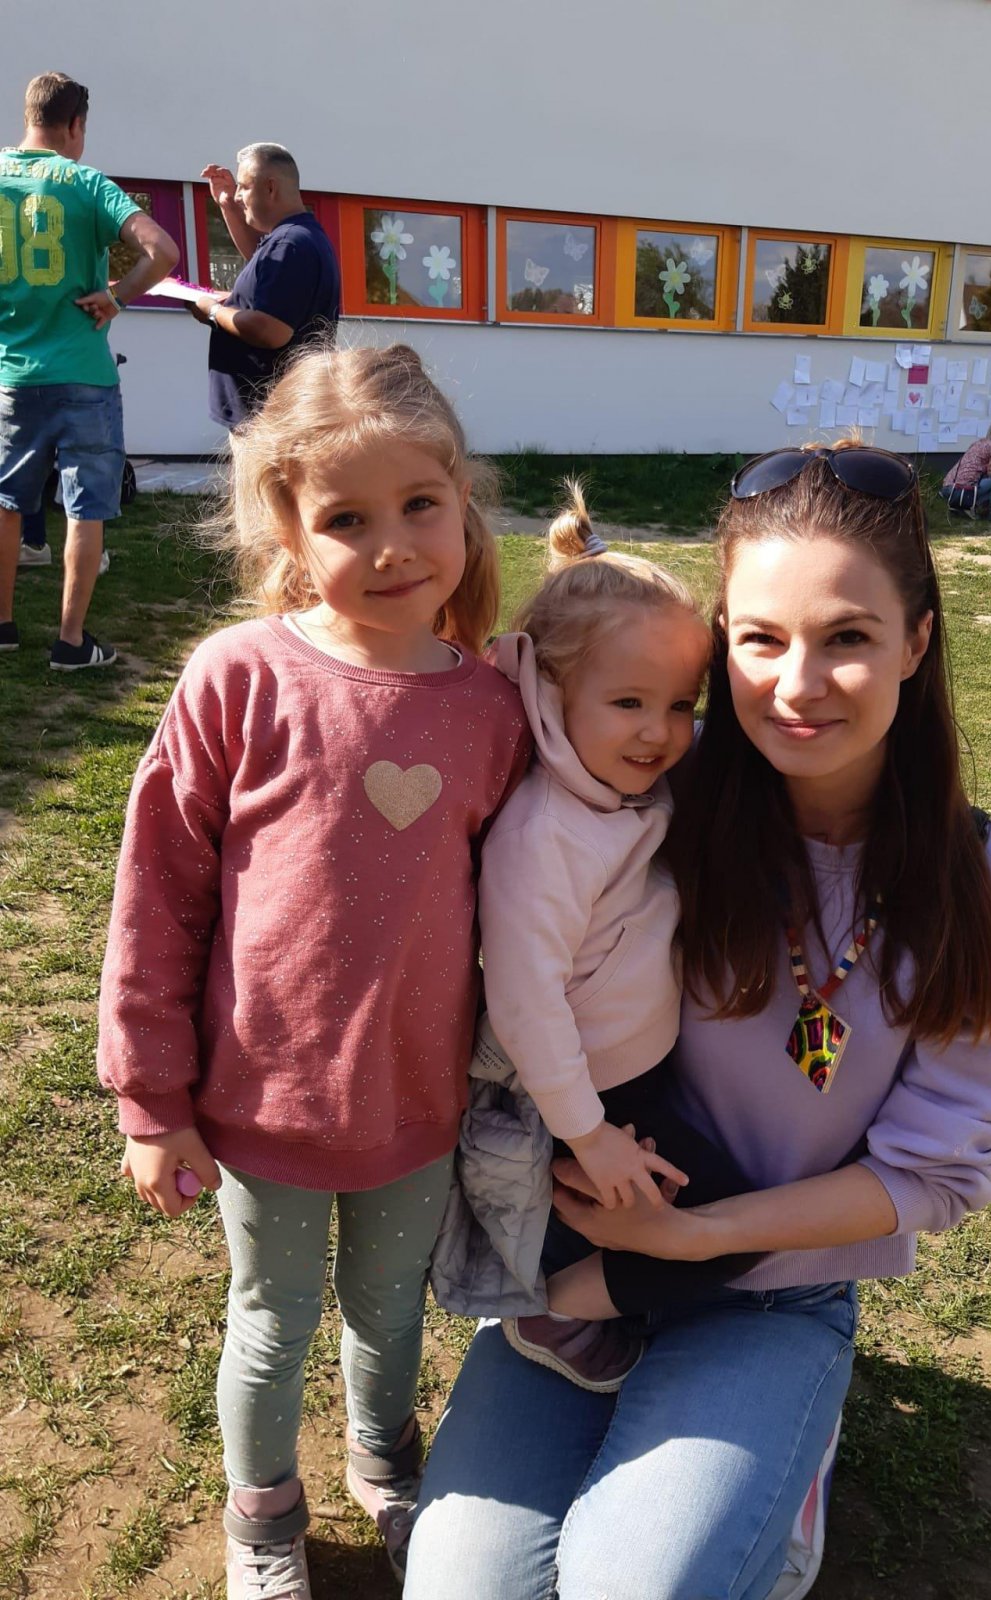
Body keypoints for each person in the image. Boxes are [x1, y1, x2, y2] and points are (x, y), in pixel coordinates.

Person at [403, 442, 991, 1600]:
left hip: (774, 1284)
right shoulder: (649, 788)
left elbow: (934, 1172)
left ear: (917, 640)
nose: (798, 684)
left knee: (635, 1588)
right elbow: (478, 725)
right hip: (581, 1260)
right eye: (760, 639)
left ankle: (787, 1472)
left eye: (847, 636)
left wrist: (700, 1238)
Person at [96, 344, 530, 1597]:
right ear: (287, 526)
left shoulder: (493, 709)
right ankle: (264, 1517)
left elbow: (545, 886)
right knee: (273, 1321)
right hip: (263, 1107)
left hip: (417, 1103)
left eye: (419, 505)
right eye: (347, 519)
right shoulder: (238, 678)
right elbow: (158, 895)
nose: (392, 546)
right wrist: (153, 1100)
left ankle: (386, 1467)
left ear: (462, 502)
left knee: (391, 1314)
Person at [443, 487, 768, 1393]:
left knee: (719, 1216)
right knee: (732, 1228)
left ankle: (603, 1291)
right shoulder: (546, 834)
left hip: (635, 1074)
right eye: (629, 702)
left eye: (679, 704)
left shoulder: (614, 783)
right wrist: (590, 1138)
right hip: (586, 1094)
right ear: (551, 692)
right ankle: (555, 1309)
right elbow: (525, 1002)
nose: (660, 734)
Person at [0, 72, 177, 667]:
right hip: (83, 375)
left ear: (29, 116)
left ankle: (2, 627)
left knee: (6, 501)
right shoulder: (86, 182)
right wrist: (118, 295)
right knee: (84, 508)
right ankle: (71, 642)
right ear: (75, 125)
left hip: (12, 375)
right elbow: (163, 251)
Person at [192, 144, 340, 430]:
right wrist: (227, 206)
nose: (238, 196)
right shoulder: (296, 237)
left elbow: (272, 330)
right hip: (279, 413)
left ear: (270, 188)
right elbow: (264, 272)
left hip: (270, 418)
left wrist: (212, 311)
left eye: (243, 187)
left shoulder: (289, 244)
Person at [938, 433, 991, 515]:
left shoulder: (978, 443)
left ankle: (960, 504)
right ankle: (969, 505)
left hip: (947, 487)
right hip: (961, 490)